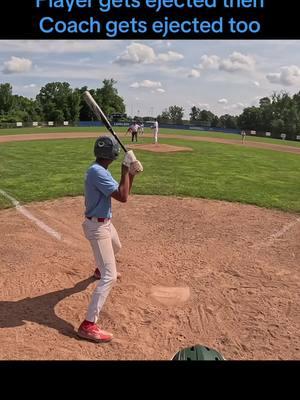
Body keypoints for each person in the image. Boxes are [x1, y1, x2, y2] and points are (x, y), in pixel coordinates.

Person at [78, 136, 143, 343]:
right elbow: (123, 197)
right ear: (113, 155)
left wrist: (131, 173)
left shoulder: (100, 170)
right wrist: (126, 169)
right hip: (97, 227)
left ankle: (99, 269)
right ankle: (88, 325)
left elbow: (123, 192)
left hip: (104, 224)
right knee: (110, 276)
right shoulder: (98, 173)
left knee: (117, 246)